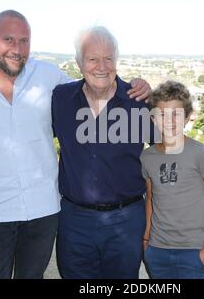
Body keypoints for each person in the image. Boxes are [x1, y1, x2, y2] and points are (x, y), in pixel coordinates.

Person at [0, 10, 150, 279]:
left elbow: (96, 83)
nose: (17, 49)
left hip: (42, 214)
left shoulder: (48, 77)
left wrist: (139, 86)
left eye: (24, 41)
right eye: (8, 39)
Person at [52, 26, 154, 279]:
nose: (101, 66)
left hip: (127, 221)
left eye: (108, 58)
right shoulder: (61, 98)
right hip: (75, 221)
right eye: (92, 59)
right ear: (79, 63)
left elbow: (170, 148)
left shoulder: (138, 100)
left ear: (116, 61)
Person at [141, 81, 204, 279]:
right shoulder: (147, 157)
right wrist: (146, 240)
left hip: (194, 250)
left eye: (176, 114)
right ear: (153, 118)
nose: (169, 120)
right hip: (157, 250)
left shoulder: (199, 152)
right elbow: (151, 199)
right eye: (162, 114)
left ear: (187, 117)